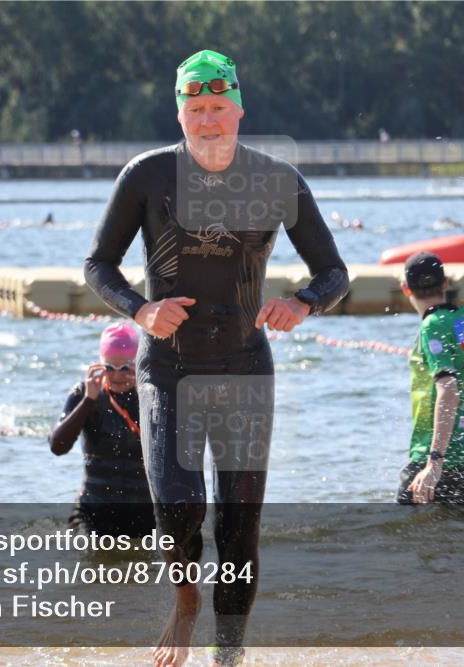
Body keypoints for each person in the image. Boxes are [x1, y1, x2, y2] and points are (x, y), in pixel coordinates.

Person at [83, 49, 349, 667]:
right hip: (168, 368)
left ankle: (228, 656)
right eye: (195, 109)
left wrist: (304, 303)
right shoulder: (146, 176)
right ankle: (184, 601)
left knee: (238, 528)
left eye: (218, 108)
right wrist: (140, 309)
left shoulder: (278, 179)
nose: (208, 120)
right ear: (179, 115)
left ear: (239, 110)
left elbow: (334, 271)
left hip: (245, 369)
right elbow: (98, 264)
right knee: (177, 504)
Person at [397, 252, 464, 505]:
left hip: (431, 462)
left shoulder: (431, 325)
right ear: (446, 283)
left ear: (406, 289)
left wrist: (434, 463)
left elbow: (448, 389)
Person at [49, 324, 155, 537]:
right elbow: (57, 447)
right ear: (99, 365)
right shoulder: (84, 394)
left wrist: (146, 393)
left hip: (144, 512)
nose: (117, 376)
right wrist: (89, 400)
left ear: (139, 364)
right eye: (109, 368)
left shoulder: (152, 394)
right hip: (93, 511)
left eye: (126, 367)